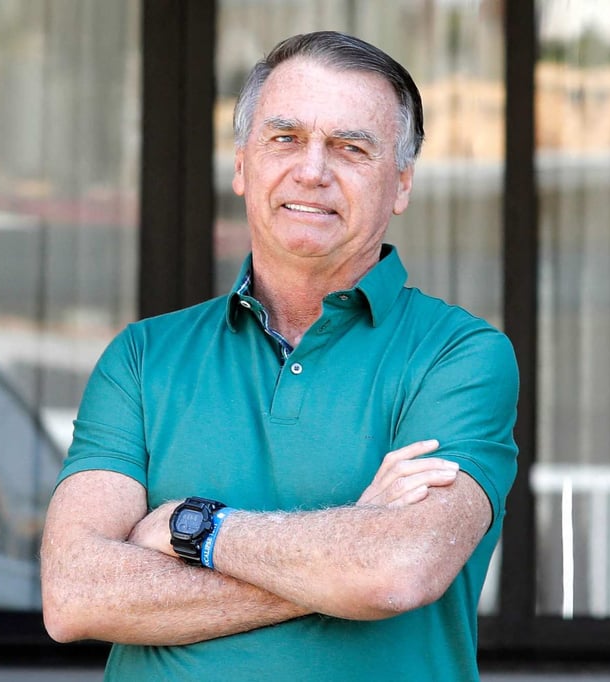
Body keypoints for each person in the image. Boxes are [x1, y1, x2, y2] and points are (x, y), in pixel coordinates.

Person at [40, 30, 519, 681]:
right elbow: (74, 595)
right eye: (285, 138)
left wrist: (193, 529)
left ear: (401, 184)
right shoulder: (143, 358)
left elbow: (398, 570)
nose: (313, 170)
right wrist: (349, 546)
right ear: (242, 165)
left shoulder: (460, 357)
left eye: (351, 148)